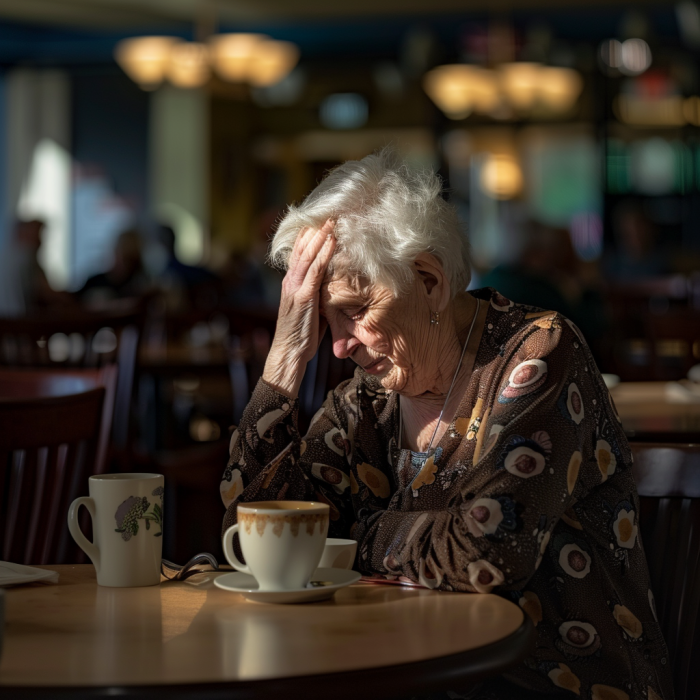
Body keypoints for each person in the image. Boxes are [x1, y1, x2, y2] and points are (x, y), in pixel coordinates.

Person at [220, 150, 673, 700]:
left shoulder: (538, 354)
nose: (338, 346)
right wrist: (285, 356)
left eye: (355, 310)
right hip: (411, 668)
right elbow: (256, 540)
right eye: (322, 318)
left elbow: (487, 555)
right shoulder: (367, 400)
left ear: (429, 281)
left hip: (552, 681)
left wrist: (352, 532)